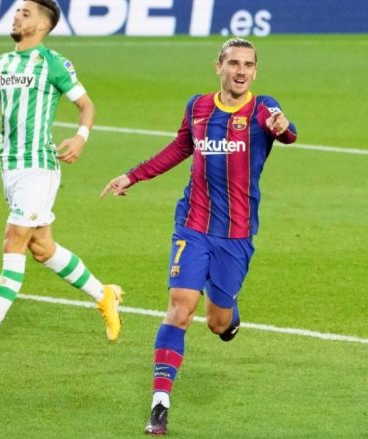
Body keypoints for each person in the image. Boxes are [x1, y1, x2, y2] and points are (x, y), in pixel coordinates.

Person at [100, 38, 297, 435]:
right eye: (233, 63)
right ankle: (159, 404)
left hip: (236, 234)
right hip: (192, 224)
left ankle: (228, 316)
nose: (241, 71)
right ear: (218, 66)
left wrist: (283, 127)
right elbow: (180, 147)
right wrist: (133, 175)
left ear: (255, 71)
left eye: (248, 65)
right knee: (180, 308)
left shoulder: (262, 109)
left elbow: (287, 131)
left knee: (216, 322)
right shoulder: (198, 107)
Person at [0, 0, 123, 350]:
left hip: (38, 167)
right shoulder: (1, 64)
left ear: (43, 25)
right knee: (42, 249)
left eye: (25, 13)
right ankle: (104, 294)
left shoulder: (53, 63)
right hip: (9, 167)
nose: (16, 16)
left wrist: (80, 137)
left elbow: (86, 105)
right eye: (17, 11)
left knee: (13, 239)